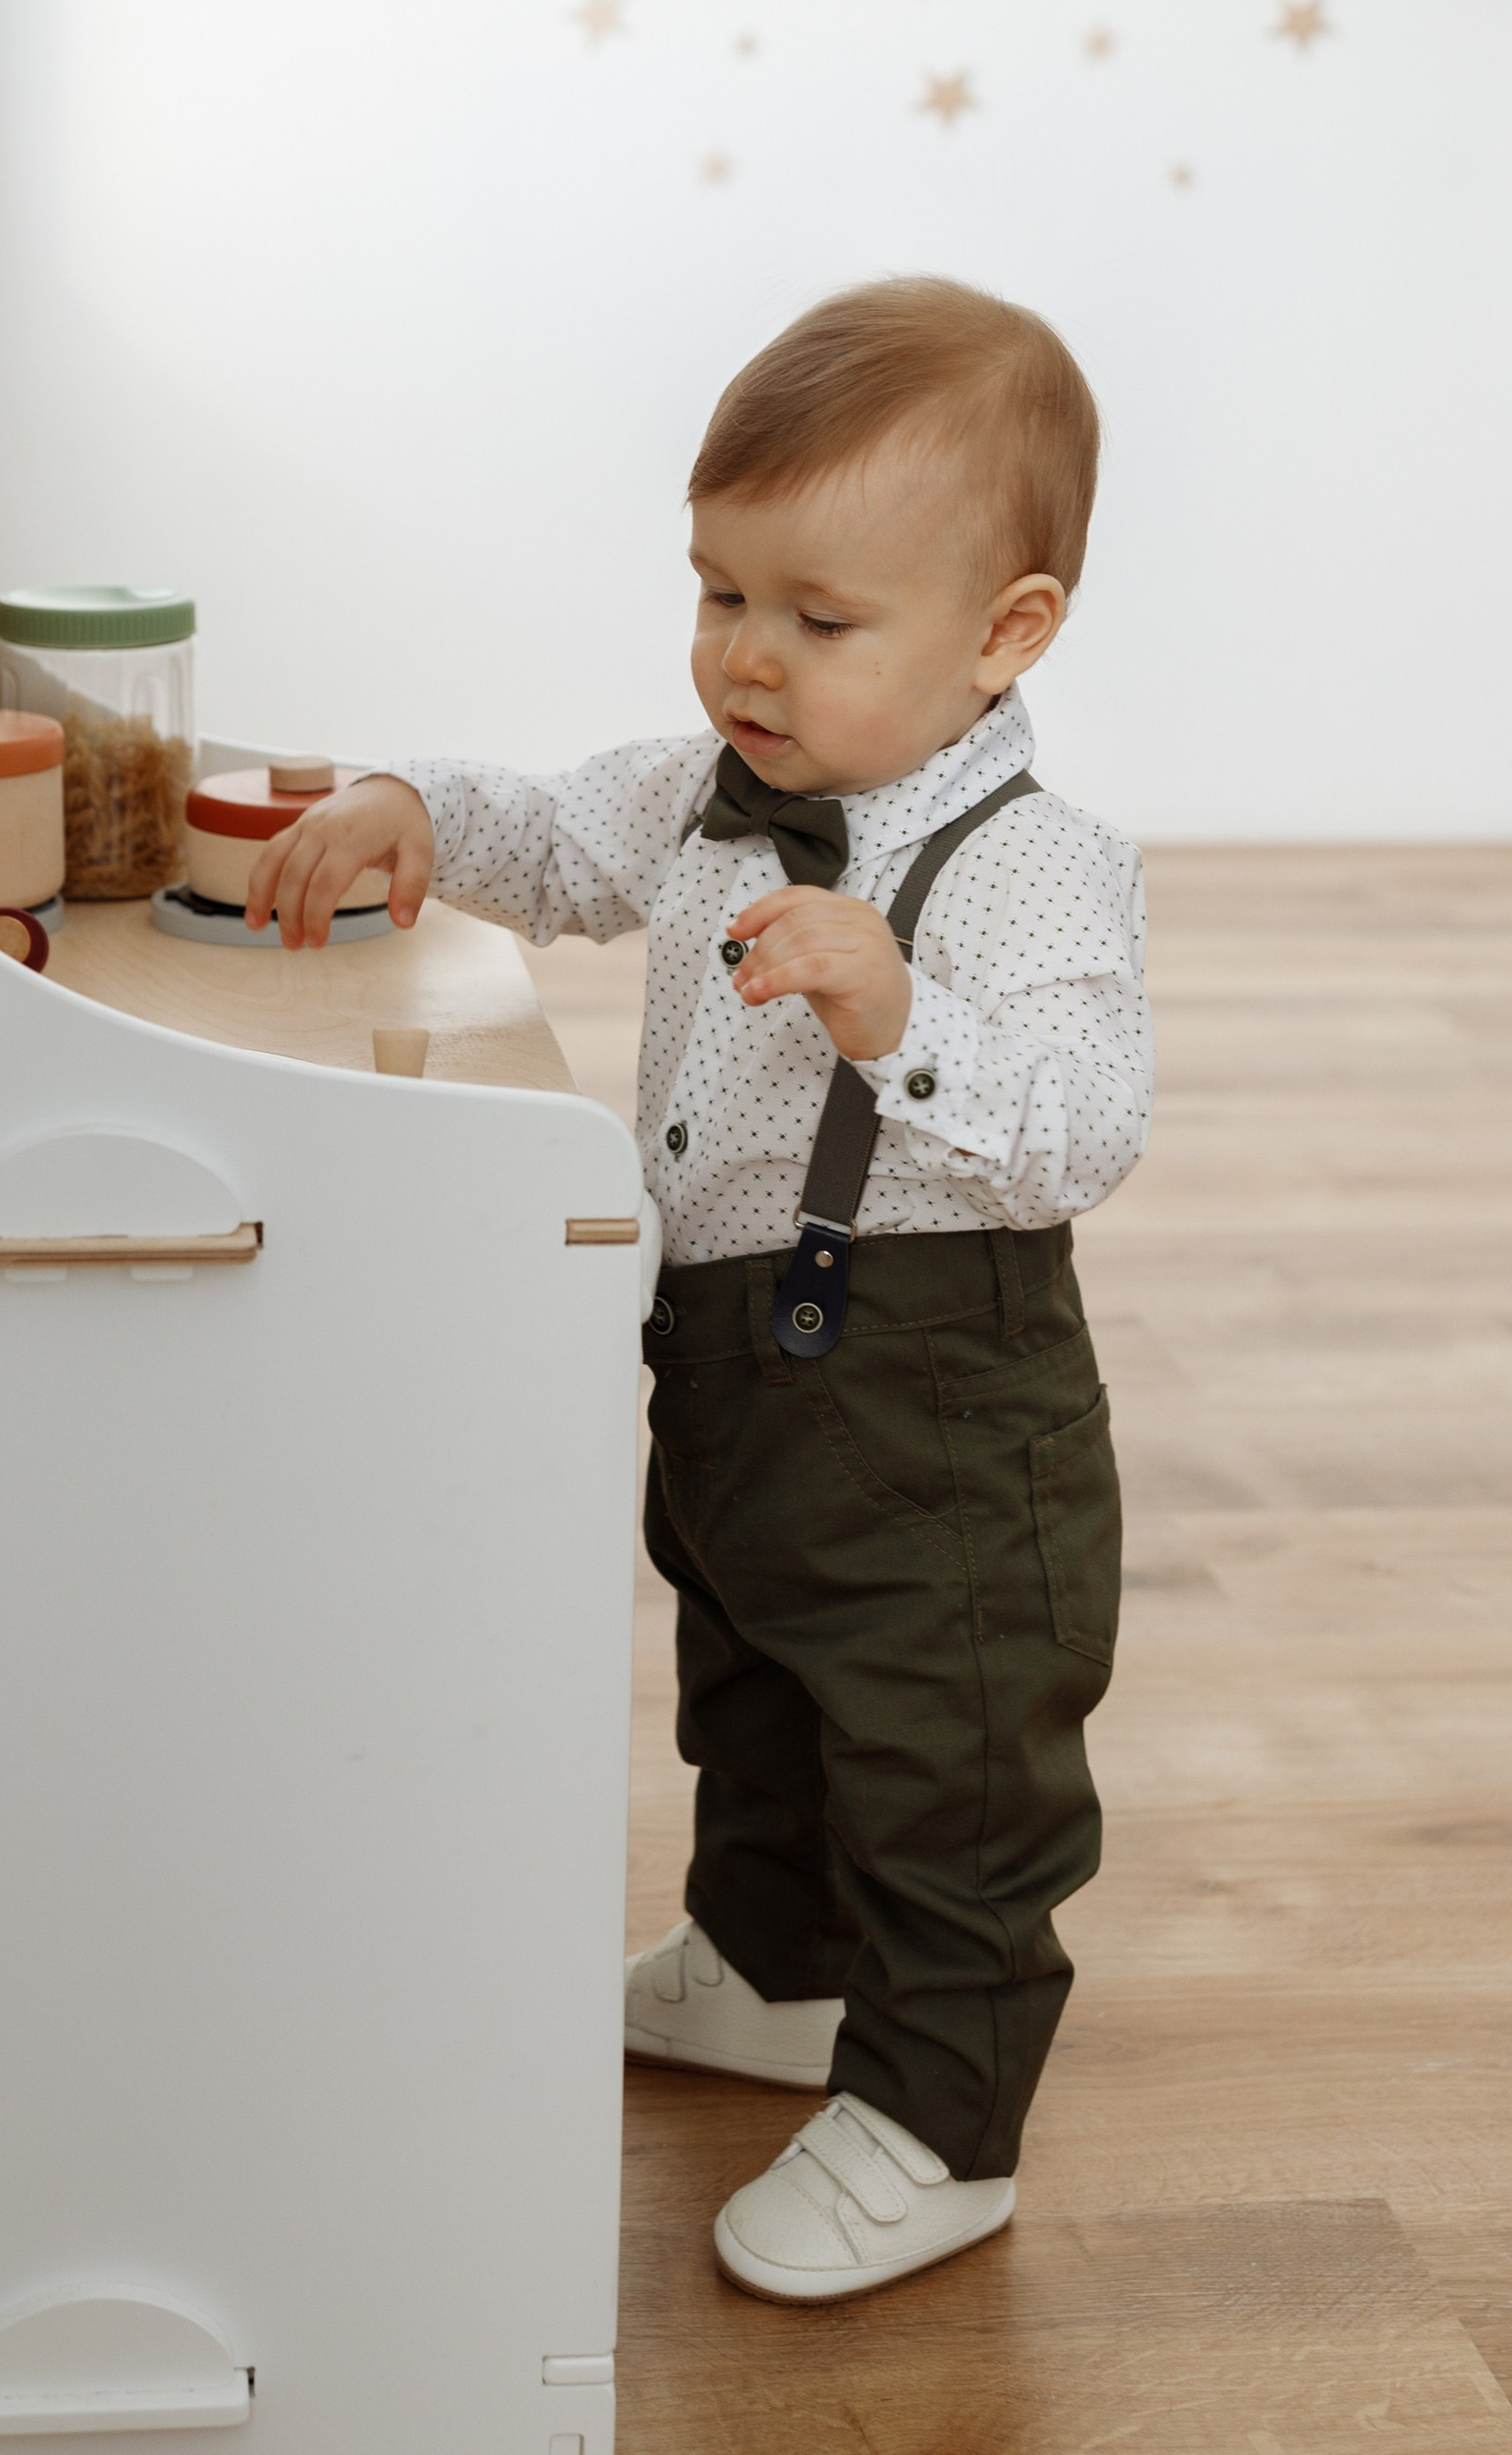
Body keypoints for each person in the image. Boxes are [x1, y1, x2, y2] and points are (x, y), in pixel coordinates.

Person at [246, 277, 1148, 2308]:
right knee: (754, 1678)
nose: (746, 652)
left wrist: (900, 1017)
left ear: (1005, 632)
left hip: (938, 1396)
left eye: (818, 618)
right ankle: (770, 1961)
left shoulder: (1032, 864)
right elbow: (552, 835)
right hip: (739, 1367)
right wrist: (414, 805)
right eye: (720, 590)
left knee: (937, 1752)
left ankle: (941, 2117)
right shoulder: (697, 788)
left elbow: (1083, 1122)